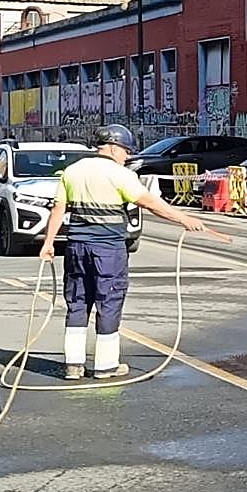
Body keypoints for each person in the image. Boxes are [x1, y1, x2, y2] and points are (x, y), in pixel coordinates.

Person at [40, 124, 206, 380]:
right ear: (115, 148)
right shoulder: (120, 175)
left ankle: (73, 365)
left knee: (77, 303)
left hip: (76, 248)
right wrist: (184, 219)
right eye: (126, 151)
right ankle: (106, 366)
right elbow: (151, 204)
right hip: (108, 249)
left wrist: (48, 243)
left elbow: (58, 210)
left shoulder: (72, 171)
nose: (127, 156)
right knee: (109, 302)